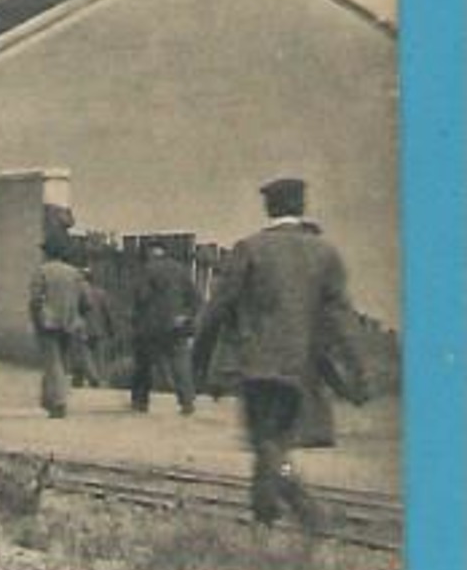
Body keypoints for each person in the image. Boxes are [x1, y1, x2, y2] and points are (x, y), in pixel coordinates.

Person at [208, 178, 366, 529]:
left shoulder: (249, 249)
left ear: (269, 207)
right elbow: (342, 318)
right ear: (301, 207)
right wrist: (359, 372)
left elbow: (219, 308)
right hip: (303, 367)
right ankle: (266, 513)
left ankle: (304, 512)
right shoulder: (325, 253)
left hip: (259, 364)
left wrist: (201, 361)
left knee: (267, 440)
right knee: (272, 439)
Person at [131, 243, 198, 415]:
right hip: (177, 323)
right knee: (180, 362)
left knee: (144, 363)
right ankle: (187, 401)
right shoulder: (181, 270)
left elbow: (141, 297)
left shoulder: (147, 270)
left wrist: (136, 318)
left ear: (149, 254)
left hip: (151, 325)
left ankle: (140, 401)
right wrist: (185, 316)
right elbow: (195, 298)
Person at [29, 241, 84, 417]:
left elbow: (36, 299)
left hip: (48, 321)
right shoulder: (74, 273)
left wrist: (36, 319)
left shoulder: (42, 271)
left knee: (52, 363)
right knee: (60, 363)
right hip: (69, 322)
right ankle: (48, 400)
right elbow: (85, 300)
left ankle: (59, 402)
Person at [71, 268, 114, 388]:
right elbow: (107, 313)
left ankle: (91, 377)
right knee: (99, 355)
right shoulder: (102, 293)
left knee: (84, 354)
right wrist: (110, 328)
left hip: (84, 326)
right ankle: (101, 377)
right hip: (99, 327)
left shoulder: (78, 293)